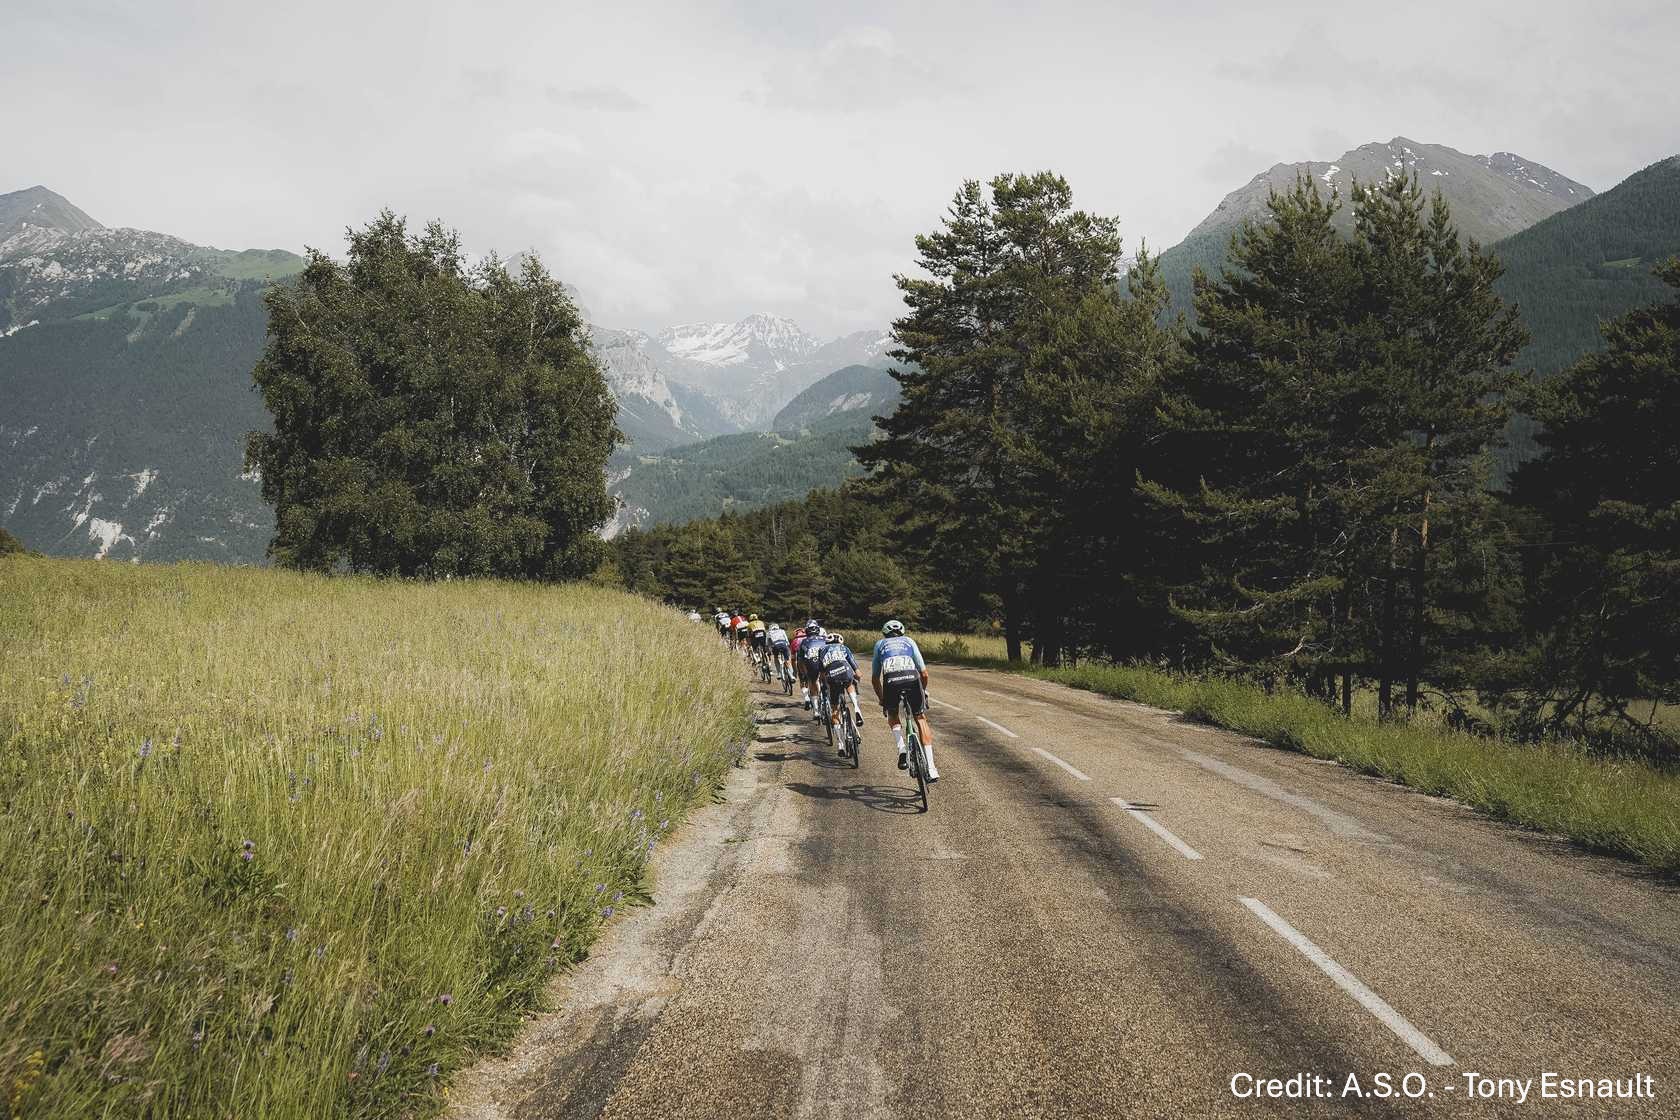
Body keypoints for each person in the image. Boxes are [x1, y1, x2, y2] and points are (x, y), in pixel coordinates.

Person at [871, 619, 937, 781]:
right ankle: (931, 767)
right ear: (902, 632)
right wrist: (923, 690)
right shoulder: (909, 641)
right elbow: (924, 673)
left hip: (891, 681)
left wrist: (882, 699)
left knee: (893, 714)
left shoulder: (880, 645)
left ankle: (901, 749)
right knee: (920, 718)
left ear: (884, 633)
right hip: (912, 679)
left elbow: (874, 678)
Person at [818, 632, 865, 757]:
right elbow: (856, 668)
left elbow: (822, 673)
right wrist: (857, 677)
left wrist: (825, 684)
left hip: (832, 676)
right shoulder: (844, 648)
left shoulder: (822, 650)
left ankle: (840, 744)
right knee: (850, 684)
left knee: (835, 710)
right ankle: (856, 708)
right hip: (846, 671)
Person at [798, 623, 828, 719]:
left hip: (812, 663)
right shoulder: (824, 639)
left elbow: (800, 660)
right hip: (825, 661)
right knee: (828, 680)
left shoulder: (804, 641)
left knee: (812, 681)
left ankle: (816, 711)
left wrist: (804, 673)